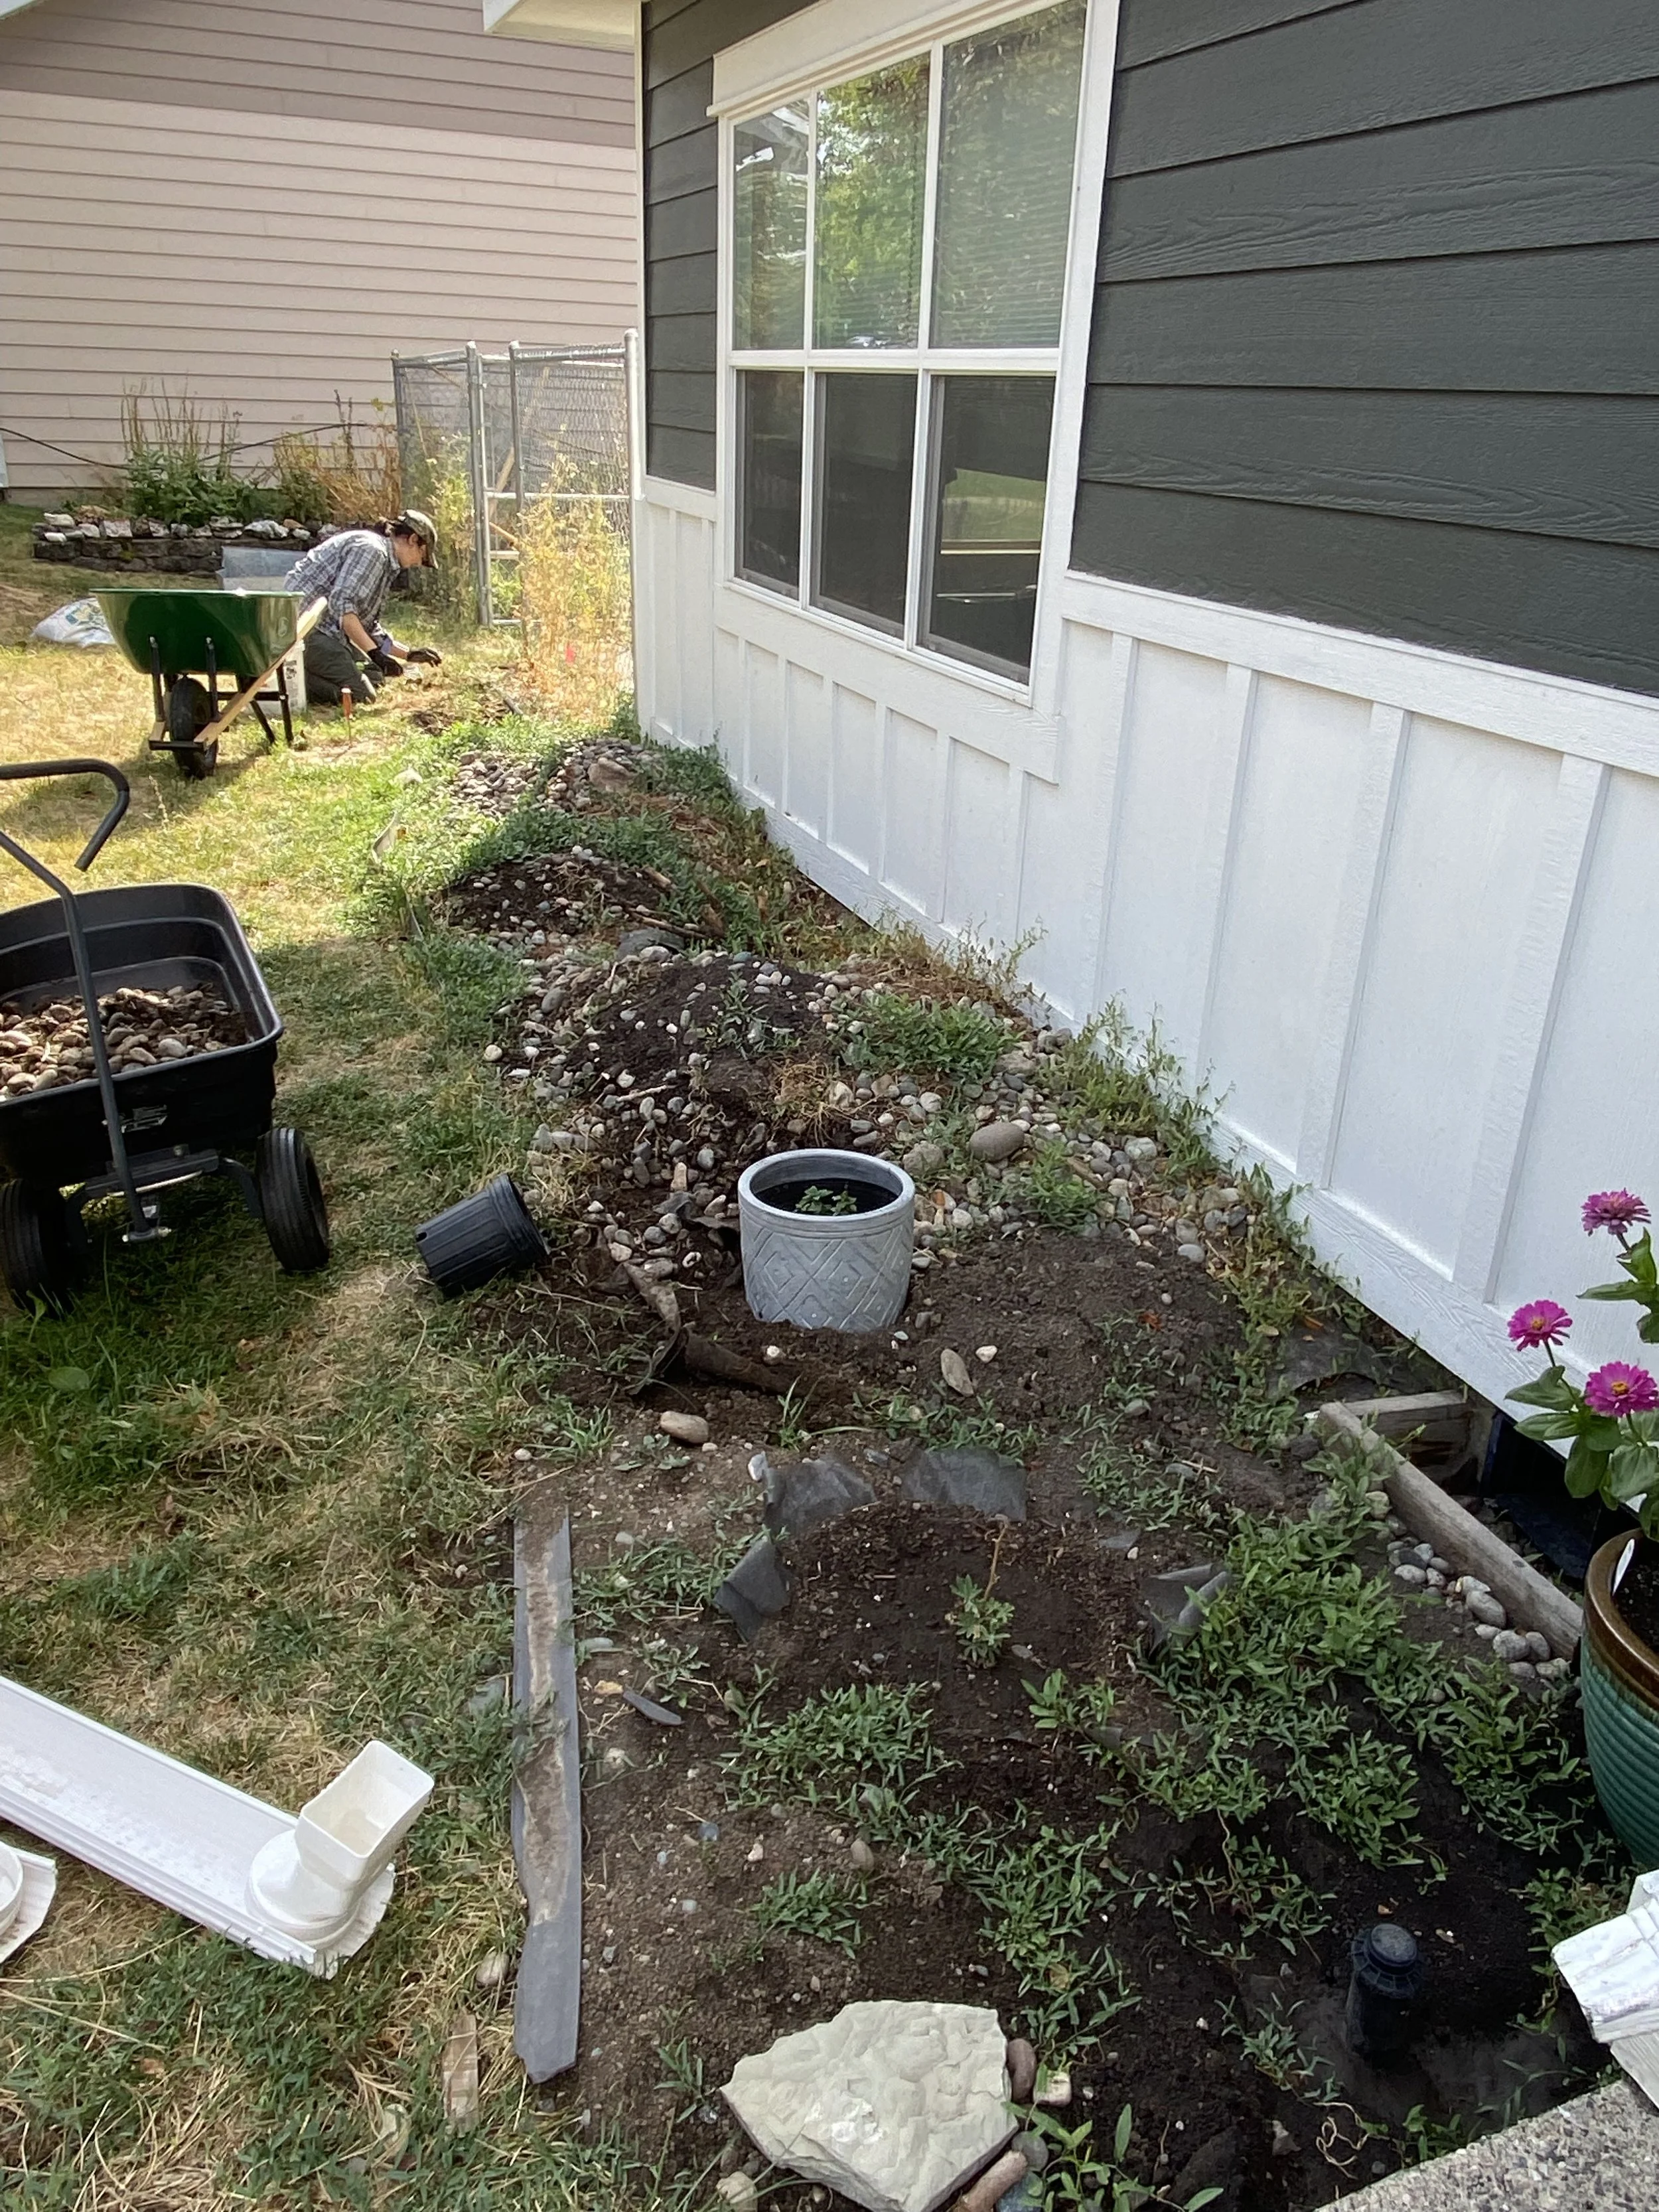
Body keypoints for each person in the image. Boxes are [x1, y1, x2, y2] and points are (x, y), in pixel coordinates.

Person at [282, 510, 443, 705]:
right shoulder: (372, 551)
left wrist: (408, 654)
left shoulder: (384, 560)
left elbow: (367, 625)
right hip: (304, 631)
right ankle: (287, 677)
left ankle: (300, 674)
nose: (419, 563)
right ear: (413, 539)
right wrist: (375, 654)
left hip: (325, 632)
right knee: (363, 694)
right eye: (422, 556)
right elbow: (342, 604)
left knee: (375, 676)